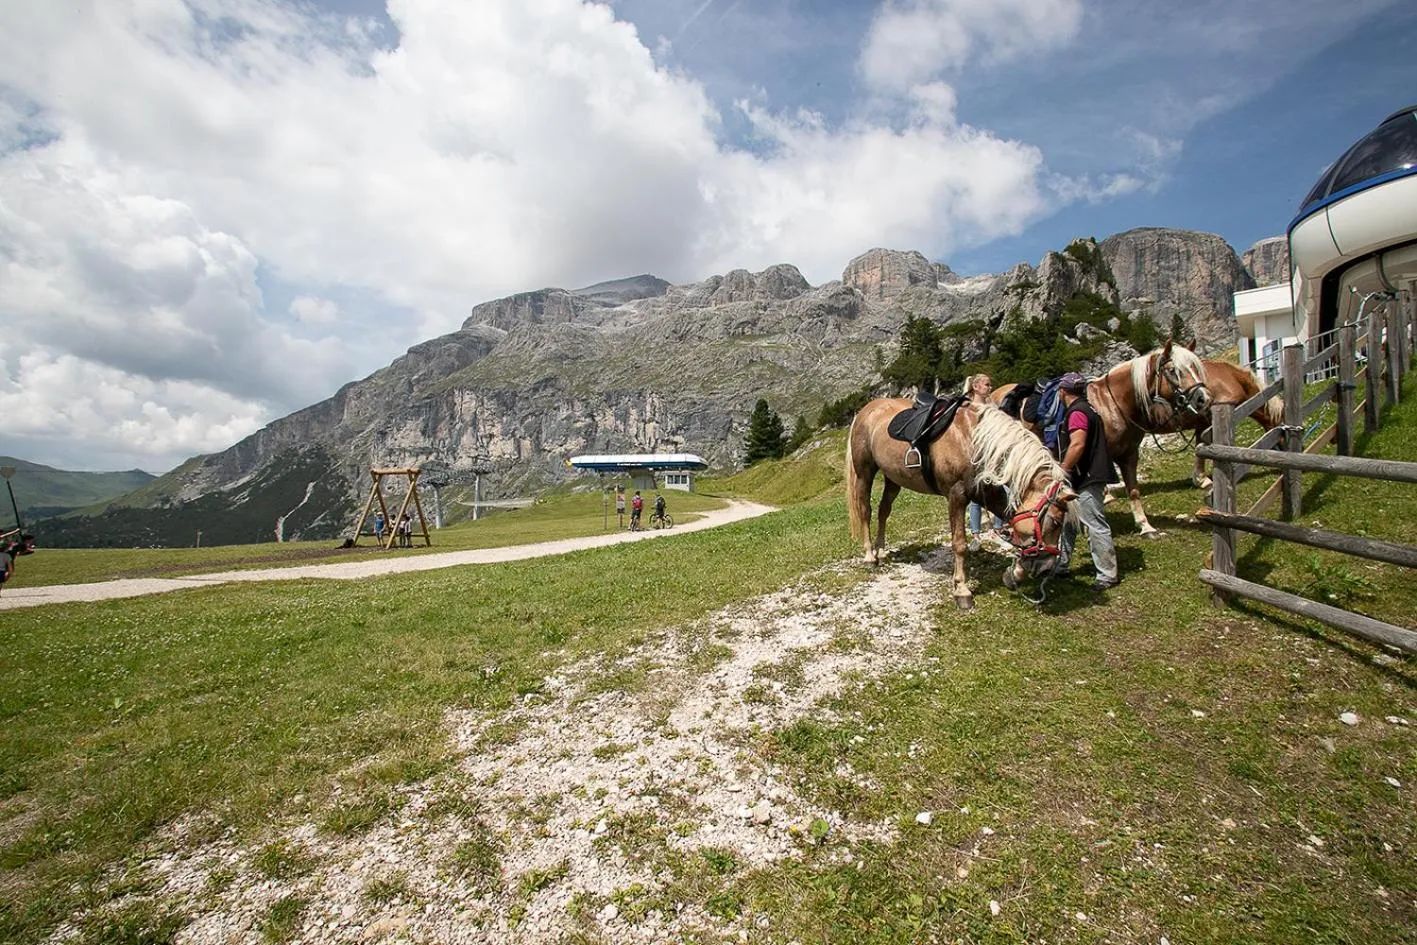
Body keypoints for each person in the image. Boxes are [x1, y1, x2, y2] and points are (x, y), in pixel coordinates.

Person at [1055, 371, 1119, 589]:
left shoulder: (1077, 413)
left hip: (1086, 476)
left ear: (1063, 392)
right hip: (1088, 474)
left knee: (1094, 524)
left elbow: (1078, 444)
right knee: (1069, 522)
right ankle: (1061, 564)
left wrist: (1064, 469)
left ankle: (1107, 574)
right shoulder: (1089, 408)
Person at [961, 373, 1007, 552]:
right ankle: (976, 534)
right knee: (975, 497)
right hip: (975, 456)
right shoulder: (968, 408)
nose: (990, 387)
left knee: (998, 489)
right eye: (987, 385)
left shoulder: (992, 406)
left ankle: (997, 529)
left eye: (990, 385)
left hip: (992, 455)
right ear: (976, 387)